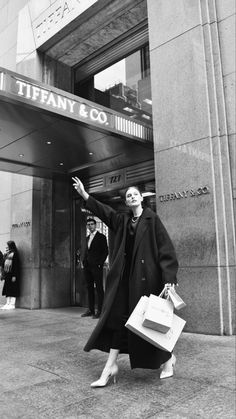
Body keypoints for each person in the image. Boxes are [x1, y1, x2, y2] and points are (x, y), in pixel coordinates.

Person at [72, 177, 178, 387]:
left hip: (146, 282)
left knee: (150, 324)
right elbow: (105, 212)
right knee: (118, 321)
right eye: (128, 195)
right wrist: (85, 195)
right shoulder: (122, 220)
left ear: (141, 199)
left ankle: (168, 360)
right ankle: (110, 366)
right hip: (123, 282)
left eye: (134, 194)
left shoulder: (152, 219)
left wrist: (169, 278)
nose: (131, 197)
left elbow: (166, 250)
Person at [81, 218, 108, 319]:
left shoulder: (101, 237)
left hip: (97, 266)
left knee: (99, 288)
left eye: (92, 224)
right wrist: (83, 262)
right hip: (87, 266)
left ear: (95, 225)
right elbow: (86, 251)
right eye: (88, 224)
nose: (90, 226)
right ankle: (91, 310)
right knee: (89, 288)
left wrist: (100, 264)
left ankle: (100, 310)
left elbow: (105, 251)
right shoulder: (87, 238)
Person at [0, 241, 20, 310]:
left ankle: (12, 304)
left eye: (8, 246)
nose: (7, 247)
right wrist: (5, 255)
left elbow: (16, 266)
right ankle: (7, 303)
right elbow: (3, 264)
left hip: (12, 274)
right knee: (7, 289)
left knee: (12, 289)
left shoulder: (15, 254)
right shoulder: (7, 254)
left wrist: (14, 275)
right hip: (7, 274)